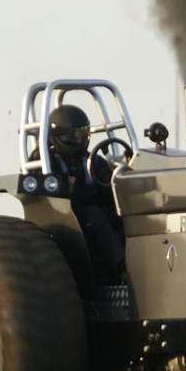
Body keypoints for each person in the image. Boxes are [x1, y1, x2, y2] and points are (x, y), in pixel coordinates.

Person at [46, 105, 125, 285]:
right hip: (65, 215)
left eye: (81, 134)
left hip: (93, 209)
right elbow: (44, 192)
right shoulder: (46, 162)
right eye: (69, 136)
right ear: (55, 136)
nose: (76, 140)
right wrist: (64, 185)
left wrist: (123, 174)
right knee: (94, 216)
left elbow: (109, 183)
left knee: (121, 213)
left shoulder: (93, 160)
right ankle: (122, 268)